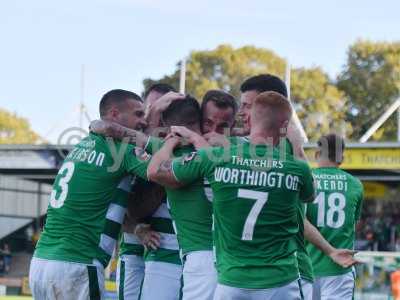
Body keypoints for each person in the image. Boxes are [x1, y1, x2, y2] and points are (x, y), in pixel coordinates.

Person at [148, 91, 315, 299]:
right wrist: (296, 144)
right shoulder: (297, 168)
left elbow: (154, 170)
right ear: (285, 127)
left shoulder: (217, 157)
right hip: (281, 280)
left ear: (248, 119)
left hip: (231, 278)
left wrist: (171, 139)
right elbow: (309, 196)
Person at [29, 89, 150, 300]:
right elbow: (168, 174)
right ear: (114, 115)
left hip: (41, 263)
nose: (144, 122)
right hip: (77, 264)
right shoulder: (118, 149)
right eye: (138, 114)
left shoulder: (81, 146)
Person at [116, 83, 183, 300]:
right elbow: (115, 207)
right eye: (152, 108)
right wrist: (137, 229)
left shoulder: (180, 143)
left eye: (164, 110)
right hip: (134, 251)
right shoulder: (125, 146)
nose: (156, 114)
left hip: (168, 250)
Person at [306, 134, 364, 300]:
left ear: (317, 154)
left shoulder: (307, 179)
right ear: (341, 158)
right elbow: (354, 225)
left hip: (306, 268)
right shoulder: (355, 185)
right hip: (340, 270)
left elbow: (298, 221)